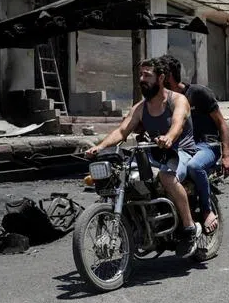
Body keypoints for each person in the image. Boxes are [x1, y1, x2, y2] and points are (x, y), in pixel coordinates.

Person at [84, 58, 201, 256]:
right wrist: (100, 147)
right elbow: (122, 131)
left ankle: (190, 228)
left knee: (166, 177)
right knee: (126, 177)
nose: (142, 79)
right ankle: (140, 226)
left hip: (181, 151)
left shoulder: (177, 100)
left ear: (161, 78)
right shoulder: (140, 108)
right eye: (140, 75)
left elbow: (177, 124)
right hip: (153, 153)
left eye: (147, 75)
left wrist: (169, 138)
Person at [157, 54, 229, 237]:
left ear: (169, 77)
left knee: (194, 166)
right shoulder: (162, 100)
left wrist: (227, 155)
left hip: (207, 145)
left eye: (160, 76)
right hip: (180, 147)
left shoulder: (198, 93)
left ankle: (206, 210)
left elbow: (221, 123)